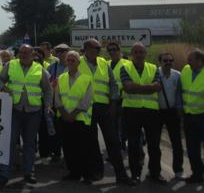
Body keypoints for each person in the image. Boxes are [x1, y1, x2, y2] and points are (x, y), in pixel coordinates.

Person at [0, 44, 52, 187]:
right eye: (21, 52)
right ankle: (4, 173)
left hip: (33, 112)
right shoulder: (10, 65)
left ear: (33, 54)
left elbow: (48, 90)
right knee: (10, 142)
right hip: (14, 110)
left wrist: (48, 106)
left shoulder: (40, 69)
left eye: (27, 52)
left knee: (30, 143)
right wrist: (4, 88)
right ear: (18, 54)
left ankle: (29, 172)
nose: (23, 55)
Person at [79, 39, 133, 185]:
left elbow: (113, 85)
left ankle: (121, 175)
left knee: (113, 141)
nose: (99, 49)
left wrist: (114, 104)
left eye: (99, 47)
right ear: (87, 49)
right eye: (96, 47)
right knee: (90, 143)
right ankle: (94, 173)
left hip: (104, 108)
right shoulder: (77, 62)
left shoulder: (103, 62)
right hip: (86, 108)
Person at [121, 43, 165, 184]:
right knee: (133, 145)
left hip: (151, 111)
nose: (139, 54)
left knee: (154, 145)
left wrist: (137, 87)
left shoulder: (153, 68)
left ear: (145, 54)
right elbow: (127, 88)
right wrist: (148, 87)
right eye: (136, 52)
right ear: (132, 54)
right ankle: (135, 174)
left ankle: (155, 173)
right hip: (131, 111)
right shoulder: (125, 67)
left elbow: (157, 87)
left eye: (142, 52)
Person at [55, 51, 95, 184]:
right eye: (69, 60)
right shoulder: (61, 78)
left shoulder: (86, 79)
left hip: (80, 119)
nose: (71, 62)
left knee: (83, 148)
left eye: (73, 60)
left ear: (79, 62)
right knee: (68, 148)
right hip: (64, 118)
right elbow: (57, 98)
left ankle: (87, 174)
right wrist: (65, 114)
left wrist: (73, 114)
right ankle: (74, 173)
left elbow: (86, 100)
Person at [157, 52, 184, 179]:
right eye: (165, 60)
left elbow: (180, 95)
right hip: (157, 112)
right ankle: (155, 170)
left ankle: (178, 169)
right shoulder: (155, 74)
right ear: (160, 62)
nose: (168, 63)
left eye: (170, 60)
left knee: (176, 142)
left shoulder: (177, 75)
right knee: (154, 143)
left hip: (172, 112)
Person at [181, 50, 204, 184]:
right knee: (192, 147)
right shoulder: (185, 70)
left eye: (190, 60)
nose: (187, 62)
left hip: (202, 116)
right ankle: (197, 174)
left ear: (200, 61)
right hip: (188, 115)